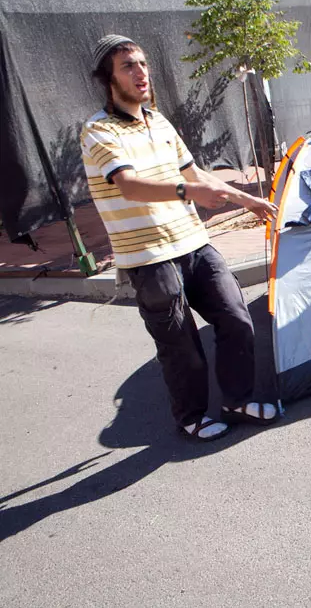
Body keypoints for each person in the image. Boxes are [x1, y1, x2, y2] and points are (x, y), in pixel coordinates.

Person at [81, 34, 280, 441]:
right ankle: (191, 417)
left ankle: (237, 399)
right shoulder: (98, 131)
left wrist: (246, 199)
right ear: (109, 79)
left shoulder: (160, 122)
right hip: (148, 256)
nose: (140, 72)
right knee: (180, 344)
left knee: (236, 317)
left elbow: (195, 175)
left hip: (194, 243)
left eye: (142, 63)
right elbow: (129, 185)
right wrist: (189, 192)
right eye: (128, 66)